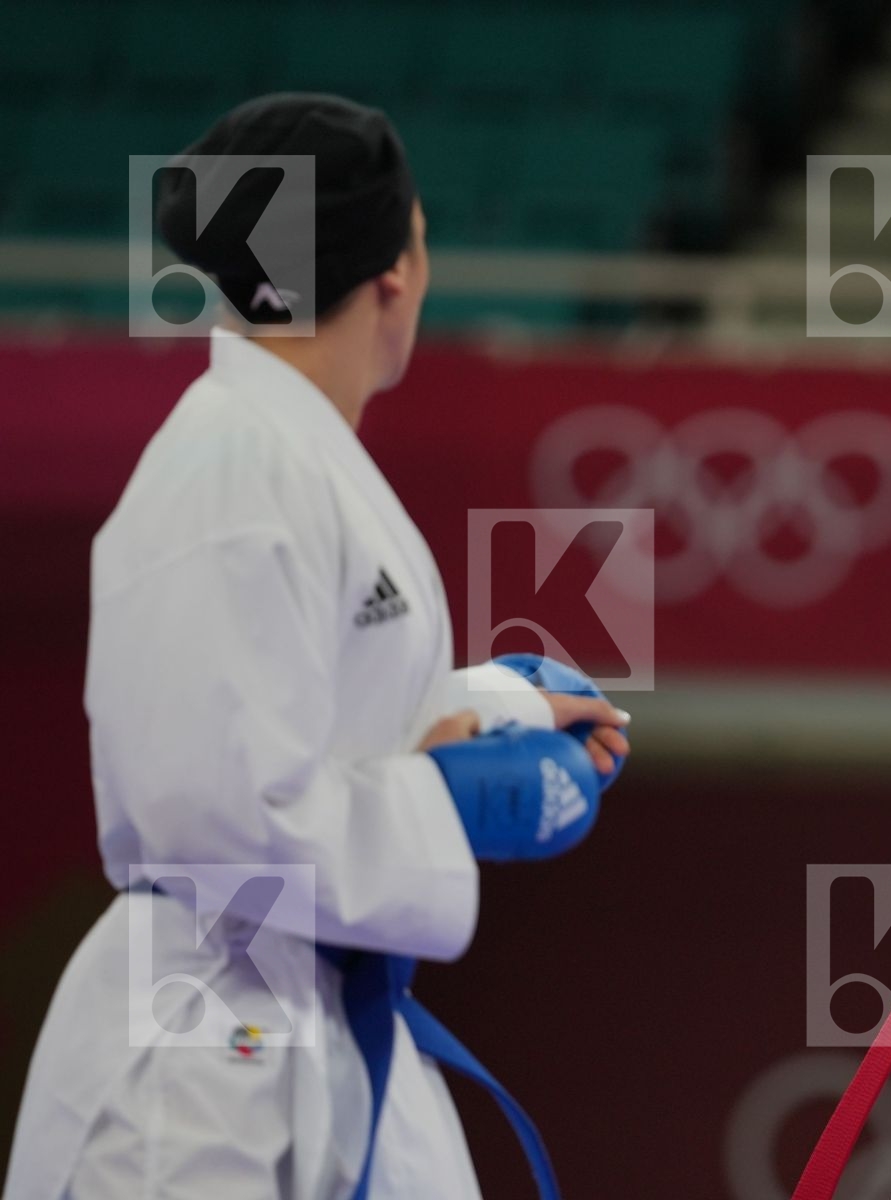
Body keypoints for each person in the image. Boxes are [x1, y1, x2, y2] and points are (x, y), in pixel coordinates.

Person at [3, 93, 631, 1199]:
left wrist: (497, 711)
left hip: (305, 1009)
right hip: (196, 1053)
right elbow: (214, 809)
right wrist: (454, 796)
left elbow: (303, 716)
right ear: (397, 269)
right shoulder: (234, 466)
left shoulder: (283, 452)